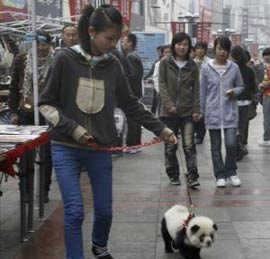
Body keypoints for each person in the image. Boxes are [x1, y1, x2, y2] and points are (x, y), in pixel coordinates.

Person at [38, 5, 177, 259]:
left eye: (117, 39)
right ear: (91, 31)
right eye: (109, 38)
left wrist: (161, 128)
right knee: (75, 211)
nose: (114, 44)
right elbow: (46, 104)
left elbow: (131, 103)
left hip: (100, 149)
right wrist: (74, 129)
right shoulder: (64, 59)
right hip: (65, 147)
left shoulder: (113, 64)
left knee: (104, 211)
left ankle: (100, 246)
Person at [9, 29, 54, 203]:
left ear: (49, 44)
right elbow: (14, 87)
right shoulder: (22, 60)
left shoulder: (56, 62)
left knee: (46, 155)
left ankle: (44, 191)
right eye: (38, 44)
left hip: (48, 113)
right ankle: (25, 190)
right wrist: (13, 112)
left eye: (44, 44)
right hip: (26, 112)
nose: (41, 48)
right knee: (26, 153)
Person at [199, 36, 244, 188]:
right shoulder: (207, 68)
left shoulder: (234, 68)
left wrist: (235, 92)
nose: (222, 52)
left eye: (225, 49)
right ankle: (220, 174)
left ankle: (231, 172)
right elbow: (202, 91)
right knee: (215, 146)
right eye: (219, 48)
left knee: (231, 144)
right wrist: (201, 111)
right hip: (213, 112)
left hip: (229, 111)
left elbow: (241, 86)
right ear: (214, 49)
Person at [158, 32, 200, 187]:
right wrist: (168, 104)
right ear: (173, 45)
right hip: (168, 112)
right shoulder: (165, 63)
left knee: (189, 145)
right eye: (179, 44)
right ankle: (173, 174)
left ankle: (192, 176)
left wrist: (196, 109)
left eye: (185, 44)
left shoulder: (192, 65)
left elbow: (196, 89)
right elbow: (161, 85)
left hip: (187, 111)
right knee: (170, 145)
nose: (182, 47)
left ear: (189, 47)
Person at [230, 46, 256, 161]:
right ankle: (241, 146)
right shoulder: (249, 70)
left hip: (233, 101)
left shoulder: (231, 69)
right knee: (241, 126)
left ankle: (238, 148)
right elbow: (253, 88)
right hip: (245, 102)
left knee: (232, 127)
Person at [121, 33, 144, 154]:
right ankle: (136, 144)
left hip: (132, 93)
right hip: (136, 92)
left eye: (124, 41)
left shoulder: (130, 57)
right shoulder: (135, 56)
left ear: (130, 43)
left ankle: (132, 145)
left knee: (132, 119)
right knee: (135, 119)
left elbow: (132, 76)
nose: (122, 43)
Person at [193, 41, 210, 144]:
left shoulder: (209, 62)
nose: (200, 50)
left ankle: (200, 135)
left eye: (202, 48)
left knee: (202, 113)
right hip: (193, 91)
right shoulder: (191, 62)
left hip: (205, 91)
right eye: (198, 48)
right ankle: (195, 132)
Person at [151, 45, 171, 115]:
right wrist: (160, 91)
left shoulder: (176, 64)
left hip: (174, 94)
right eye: (166, 52)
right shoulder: (158, 64)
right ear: (162, 53)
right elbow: (156, 79)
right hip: (162, 94)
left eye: (169, 52)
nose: (168, 54)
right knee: (161, 113)